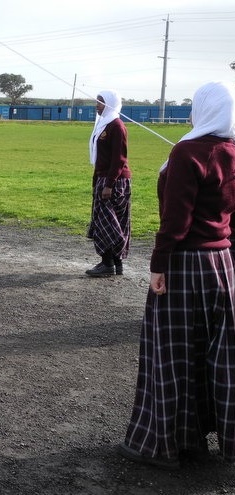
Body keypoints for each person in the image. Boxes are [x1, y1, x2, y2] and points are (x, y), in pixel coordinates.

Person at [118, 81, 235, 470]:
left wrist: (158, 265)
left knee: (171, 354)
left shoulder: (187, 152)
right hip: (224, 266)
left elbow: (177, 220)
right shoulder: (231, 150)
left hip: (186, 266)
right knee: (215, 357)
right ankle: (204, 437)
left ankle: (165, 444)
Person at [85, 89, 131, 277]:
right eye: (97, 101)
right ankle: (116, 264)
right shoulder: (103, 125)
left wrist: (109, 184)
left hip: (115, 180)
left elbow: (119, 159)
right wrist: (97, 180)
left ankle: (107, 264)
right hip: (104, 178)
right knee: (112, 222)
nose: (97, 105)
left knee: (108, 222)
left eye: (101, 102)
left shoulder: (116, 126)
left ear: (110, 104)